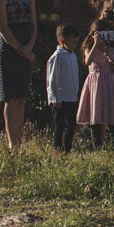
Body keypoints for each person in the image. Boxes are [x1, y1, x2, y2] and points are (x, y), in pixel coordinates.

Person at [0, 0, 36, 152]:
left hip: (25, 47)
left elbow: (34, 24)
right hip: (8, 50)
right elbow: (3, 28)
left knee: (21, 97)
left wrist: (29, 47)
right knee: (11, 97)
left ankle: (19, 143)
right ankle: (12, 145)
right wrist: (20, 49)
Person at [76, 24, 114, 153]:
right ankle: (98, 148)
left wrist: (109, 55)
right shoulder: (89, 48)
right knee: (96, 116)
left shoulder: (113, 50)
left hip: (110, 82)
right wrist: (95, 44)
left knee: (112, 116)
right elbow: (88, 62)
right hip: (96, 85)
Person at [46, 24, 81, 153]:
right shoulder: (57, 57)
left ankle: (67, 150)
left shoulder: (73, 56)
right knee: (59, 125)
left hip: (72, 97)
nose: (75, 45)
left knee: (71, 125)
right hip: (60, 98)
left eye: (76, 42)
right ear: (62, 41)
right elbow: (52, 79)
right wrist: (55, 98)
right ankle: (57, 149)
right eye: (72, 42)